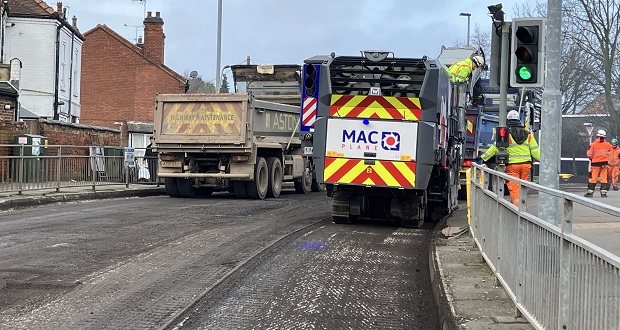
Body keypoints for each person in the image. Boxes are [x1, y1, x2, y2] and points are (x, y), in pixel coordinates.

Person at [478, 110, 540, 206]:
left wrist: (483, 157)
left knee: (514, 188)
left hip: (513, 166)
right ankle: (523, 205)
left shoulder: (506, 134)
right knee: (523, 186)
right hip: (526, 165)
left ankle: (517, 208)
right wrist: (544, 161)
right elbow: (535, 151)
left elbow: (495, 147)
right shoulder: (528, 134)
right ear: (519, 120)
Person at [585, 130, 613, 197]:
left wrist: (592, 159)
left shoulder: (593, 144)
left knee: (593, 178)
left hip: (595, 163)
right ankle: (603, 193)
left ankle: (590, 193)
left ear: (597, 136)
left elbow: (589, 154)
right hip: (604, 163)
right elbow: (611, 154)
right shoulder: (608, 144)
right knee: (604, 177)